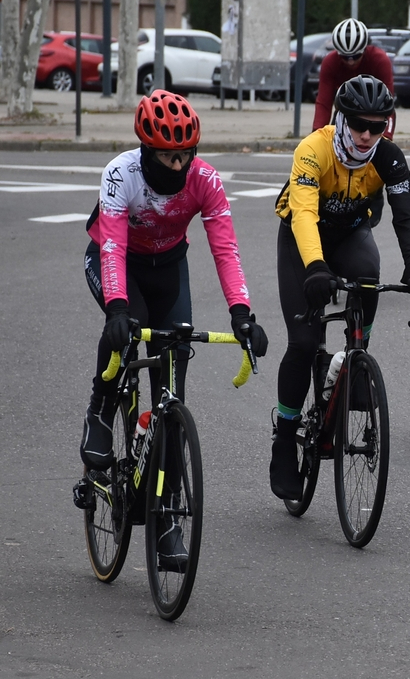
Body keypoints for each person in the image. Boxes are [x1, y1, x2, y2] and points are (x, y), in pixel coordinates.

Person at [78, 89, 269, 569]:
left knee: (172, 385)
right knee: (126, 326)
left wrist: (242, 313)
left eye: (185, 154)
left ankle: (165, 519)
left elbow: (225, 248)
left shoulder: (205, 180)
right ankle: (101, 410)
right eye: (168, 155)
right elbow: (112, 248)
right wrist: (118, 307)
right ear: (146, 149)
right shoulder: (122, 174)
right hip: (117, 262)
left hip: (169, 271)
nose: (178, 164)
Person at [273, 74, 410, 500]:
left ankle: (351, 360)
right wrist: (315, 267)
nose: (367, 134)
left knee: (369, 274)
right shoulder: (314, 149)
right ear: (342, 119)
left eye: (377, 126)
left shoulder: (388, 157)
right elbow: (304, 213)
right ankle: (285, 435)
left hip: (349, 234)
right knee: (304, 342)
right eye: (359, 124)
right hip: (301, 240)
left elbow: (406, 217)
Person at [312, 18, 395, 132]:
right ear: (338, 53)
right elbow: (324, 103)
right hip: (346, 110)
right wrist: (317, 134)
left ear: (364, 50)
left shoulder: (379, 60)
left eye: (356, 56)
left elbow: (388, 105)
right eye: (345, 57)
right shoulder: (330, 62)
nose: (350, 62)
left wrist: (387, 137)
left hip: (373, 112)